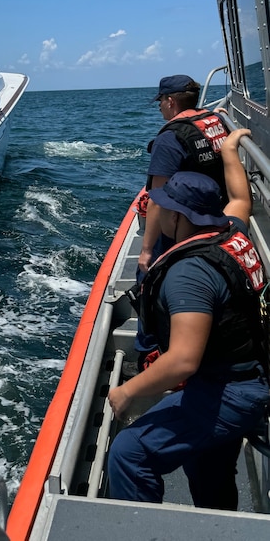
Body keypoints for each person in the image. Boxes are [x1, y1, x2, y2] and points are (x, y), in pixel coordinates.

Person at [108, 129, 269, 510]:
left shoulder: (190, 272)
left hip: (230, 390)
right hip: (252, 371)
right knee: (208, 466)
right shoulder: (231, 233)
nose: (154, 209)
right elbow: (241, 199)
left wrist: (126, 393)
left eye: (160, 204)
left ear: (179, 216)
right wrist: (230, 150)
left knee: (130, 452)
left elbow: (183, 360)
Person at [139, 75, 228, 274]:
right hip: (218, 214)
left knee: (148, 276)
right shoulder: (215, 120)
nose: (159, 106)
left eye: (160, 101)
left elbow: (157, 199)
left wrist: (146, 250)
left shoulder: (169, 139)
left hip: (185, 224)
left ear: (170, 101)